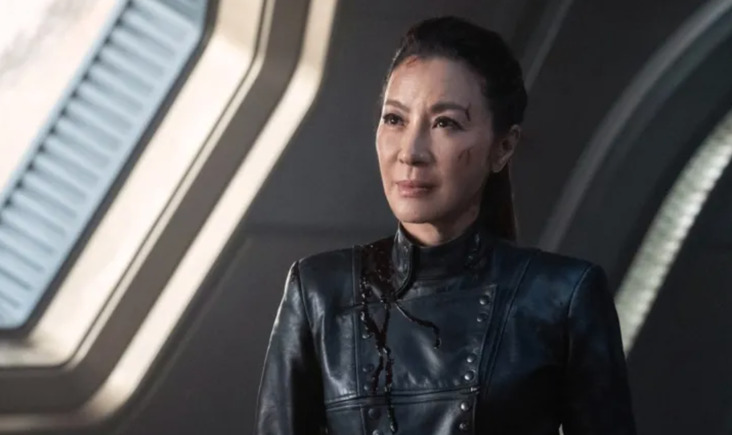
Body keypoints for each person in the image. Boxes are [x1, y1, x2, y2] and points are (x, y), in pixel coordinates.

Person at [254, 15, 636, 435]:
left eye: (445, 123)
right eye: (394, 119)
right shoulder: (319, 292)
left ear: (503, 147)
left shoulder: (562, 297)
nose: (411, 152)